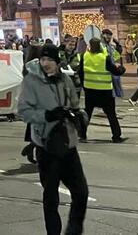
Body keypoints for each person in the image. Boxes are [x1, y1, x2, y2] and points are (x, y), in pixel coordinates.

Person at [19, 44, 88, 235]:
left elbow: (75, 104)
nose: (46, 63)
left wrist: (80, 117)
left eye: (50, 60)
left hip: (68, 144)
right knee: (51, 198)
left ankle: (73, 231)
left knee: (81, 193)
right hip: (47, 146)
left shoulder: (64, 79)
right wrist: (47, 116)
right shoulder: (31, 82)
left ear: (57, 62)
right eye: (43, 59)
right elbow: (24, 112)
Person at [78, 37, 125, 143]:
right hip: (105, 91)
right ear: (99, 45)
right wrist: (122, 68)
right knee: (111, 114)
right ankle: (116, 136)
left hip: (90, 90)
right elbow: (115, 71)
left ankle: (82, 134)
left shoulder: (84, 56)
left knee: (87, 113)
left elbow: (80, 73)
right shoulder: (105, 58)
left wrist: (84, 86)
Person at [101, 29, 123, 98]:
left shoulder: (110, 45)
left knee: (116, 80)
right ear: (103, 35)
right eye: (107, 36)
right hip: (105, 67)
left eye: (110, 36)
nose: (109, 38)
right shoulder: (101, 45)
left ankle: (117, 95)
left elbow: (116, 55)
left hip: (112, 66)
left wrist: (118, 45)